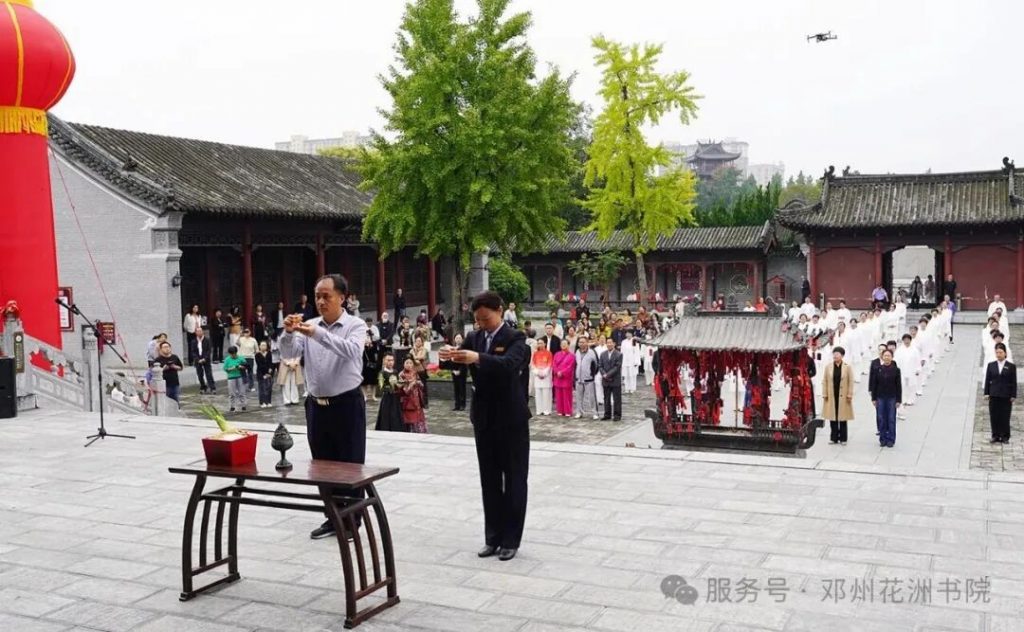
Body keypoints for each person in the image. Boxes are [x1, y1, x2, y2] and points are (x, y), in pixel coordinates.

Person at [440, 291, 531, 561]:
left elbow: (508, 365)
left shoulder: (515, 338)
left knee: (514, 479)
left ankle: (511, 540)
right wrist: (449, 354)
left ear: (499, 311)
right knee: (489, 480)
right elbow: (460, 358)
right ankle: (492, 538)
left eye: (486, 318)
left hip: (511, 419)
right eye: (478, 320)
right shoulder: (475, 337)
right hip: (484, 418)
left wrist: (477, 358)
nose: (482, 324)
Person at [280, 274, 367, 541]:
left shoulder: (355, 325)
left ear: (342, 298)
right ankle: (332, 517)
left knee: (349, 463)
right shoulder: (311, 325)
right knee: (322, 464)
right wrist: (288, 332)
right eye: (317, 296)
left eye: (326, 296)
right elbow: (288, 354)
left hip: (346, 404)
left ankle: (352, 521)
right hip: (316, 405)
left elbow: (352, 351)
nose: (320, 301)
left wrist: (316, 333)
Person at [984, 342, 1017, 443]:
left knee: (1005, 416)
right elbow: (987, 380)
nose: (998, 354)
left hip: (1006, 395)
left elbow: (1013, 381)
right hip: (994, 394)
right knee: (994, 415)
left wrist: (1013, 395)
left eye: (1000, 352)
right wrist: (986, 393)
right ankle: (995, 435)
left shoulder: (1011, 366)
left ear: (1005, 353)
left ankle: (1005, 436)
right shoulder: (991, 365)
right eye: (997, 352)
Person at [822, 347, 854, 445]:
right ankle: (834, 438)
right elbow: (825, 381)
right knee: (833, 417)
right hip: (832, 395)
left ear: (842, 355)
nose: (835, 355)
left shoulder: (847, 367)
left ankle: (843, 438)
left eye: (837, 354)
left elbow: (851, 381)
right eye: (834, 353)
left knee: (843, 417)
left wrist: (849, 394)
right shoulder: (828, 367)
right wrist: (825, 393)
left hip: (843, 396)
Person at [872, 349, 902, 448]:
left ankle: (891, 439)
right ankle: (883, 438)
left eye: (889, 355)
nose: (887, 357)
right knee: (881, 418)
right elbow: (874, 385)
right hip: (880, 397)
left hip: (892, 397)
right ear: (882, 357)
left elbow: (898, 386)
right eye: (885, 355)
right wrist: (874, 398)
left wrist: (898, 400)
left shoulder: (896, 370)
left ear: (892, 357)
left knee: (891, 418)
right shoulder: (878, 369)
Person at [374, 353, 405, 431]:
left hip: (395, 398)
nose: (391, 362)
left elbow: (398, 384)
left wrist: (402, 383)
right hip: (387, 398)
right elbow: (381, 387)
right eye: (388, 360)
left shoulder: (395, 371)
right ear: (384, 361)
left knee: (396, 414)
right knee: (386, 415)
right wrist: (390, 384)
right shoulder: (382, 373)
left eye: (392, 360)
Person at [398, 358, 428, 433]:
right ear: (403, 364)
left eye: (411, 363)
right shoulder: (401, 375)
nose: (409, 365)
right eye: (407, 363)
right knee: (410, 419)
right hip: (407, 401)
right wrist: (411, 384)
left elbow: (422, 385)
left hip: (417, 400)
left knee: (419, 418)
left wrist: (418, 383)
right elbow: (404, 391)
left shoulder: (415, 372)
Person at [573, 336, 599, 420]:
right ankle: (579, 412)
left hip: (589, 379)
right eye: (580, 342)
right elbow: (575, 364)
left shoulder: (592, 352)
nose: (581, 344)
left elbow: (596, 364)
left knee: (591, 397)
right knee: (578, 397)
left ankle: (594, 413)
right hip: (578, 378)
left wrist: (592, 374)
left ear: (587, 342)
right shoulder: (577, 352)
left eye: (583, 342)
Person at [894, 334, 921, 411]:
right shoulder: (899, 350)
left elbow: (918, 360)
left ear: (910, 340)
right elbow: (896, 360)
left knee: (912, 385)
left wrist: (918, 369)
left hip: (912, 370)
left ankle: (911, 399)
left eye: (908, 339)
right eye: (905, 340)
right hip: (902, 370)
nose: (906, 341)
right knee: (902, 385)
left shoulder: (915, 350)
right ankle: (903, 399)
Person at [599, 338, 623, 421]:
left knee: (617, 399)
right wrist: (603, 374)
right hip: (605, 380)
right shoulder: (603, 354)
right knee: (606, 398)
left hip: (615, 379)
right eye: (607, 343)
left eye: (610, 342)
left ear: (614, 344)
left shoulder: (619, 354)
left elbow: (617, 367)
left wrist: (608, 375)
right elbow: (600, 366)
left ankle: (617, 415)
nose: (609, 344)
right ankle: (607, 414)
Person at [552, 339, 576, 417]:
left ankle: (567, 411)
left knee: (567, 395)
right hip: (557, 377)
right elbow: (554, 364)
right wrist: (557, 372)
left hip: (566, 378)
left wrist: (562, 372)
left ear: (568, 345)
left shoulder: (572, 355)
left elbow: (570, 366)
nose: (563, 345)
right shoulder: (556, 354)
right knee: (558, 395)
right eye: (562, 344)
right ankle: (560, 410)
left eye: (565, 344)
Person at [445, 333, 468, 411]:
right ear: (454, 339)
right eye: (456, 338)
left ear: (462, 339)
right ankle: (457, 405)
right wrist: (453, 370)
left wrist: (460, 371)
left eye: (459, 338)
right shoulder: (452, 349)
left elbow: (464, 361)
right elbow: (450, 361)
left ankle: (462, 405)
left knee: (462, 388)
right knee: (456, 388)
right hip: (454, 371)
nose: (458, 339)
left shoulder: (464, 349)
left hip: (462, 371)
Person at [190, 326, 216, 394]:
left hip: (206, 359)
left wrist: (205, 358)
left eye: (201, 331)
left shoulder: (207, 340)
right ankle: (203, 387)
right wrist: (197, 359)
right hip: (198, 360)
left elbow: (209, 350)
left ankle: (212, 387)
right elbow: (193, 352)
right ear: (196, 332)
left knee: (209, 374)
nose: (200, 332)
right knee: (200, 374)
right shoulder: (193, 341)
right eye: (198, 331)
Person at [277, 341, 304, 405]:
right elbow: (282, 356)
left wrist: (295, 363)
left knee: (295, 383)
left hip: (295, 366)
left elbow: (299, 356)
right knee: (286, 383)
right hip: (285, 366)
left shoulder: (297, 346)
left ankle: (295, 399)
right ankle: (287, 400)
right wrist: (289, 363)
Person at [531, 342, 553, 416]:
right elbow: (533, 364)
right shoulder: (535, 354)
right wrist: (537, 372)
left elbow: (550, 364)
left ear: (545, 344)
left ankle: (546, 410)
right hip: (537, 376)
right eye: (538, 343)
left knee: (546, 394)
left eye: (541, 343)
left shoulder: (549, 353)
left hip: (546, 376)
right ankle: (539, 410)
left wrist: (544, 373)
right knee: (538, 394)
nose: (540, 345)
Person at [223, 345, 247, 413]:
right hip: (231, 377)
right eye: (231, 354)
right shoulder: (227, 359)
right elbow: (225, 369)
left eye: (234, 354)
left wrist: (241, 367)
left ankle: (243, 405)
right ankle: (232, 406)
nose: (232, 355)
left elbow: (246, 366)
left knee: (241, 392)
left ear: (236, 353)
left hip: (240, 376)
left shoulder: (241, 358)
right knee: (232, 393)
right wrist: (231, 368)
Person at [410, 336, 430, 408]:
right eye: (416, 341)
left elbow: (422, 357)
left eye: (419, 341)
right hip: (414, 370)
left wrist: (414, 357)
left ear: (422, 342)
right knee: (414, 387)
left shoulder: (424, 349)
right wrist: (415, 358)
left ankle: (425, 402)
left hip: (422, 370)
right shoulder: (412, 350)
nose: (418, 342)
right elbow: (410, 357)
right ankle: (416, 402)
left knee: (423, 386)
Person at [361, 335, 380, 402]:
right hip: (364, 365)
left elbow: (377, 352)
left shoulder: (374, 345)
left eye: (368, 337)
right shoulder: (362, 346)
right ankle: (365, 395)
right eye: (366, 337)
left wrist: (371, 345)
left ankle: (373, 395)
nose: (367, 339)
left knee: (373, 381)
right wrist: (365, 345)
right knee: (364, 381)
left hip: (372, 365)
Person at [255, 341, 273, 408]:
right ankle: (262, 402)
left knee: (269, 388)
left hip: (269, 373)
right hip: (261, 373)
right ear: (259, 346)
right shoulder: (257, 355)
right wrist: (265, 372)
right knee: (261, 388)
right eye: (262, 345)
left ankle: (268, 402)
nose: (263, 346)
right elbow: (259, 365)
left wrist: (270, 371)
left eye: (265, 345)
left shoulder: (269, 353)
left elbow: (271, 363)